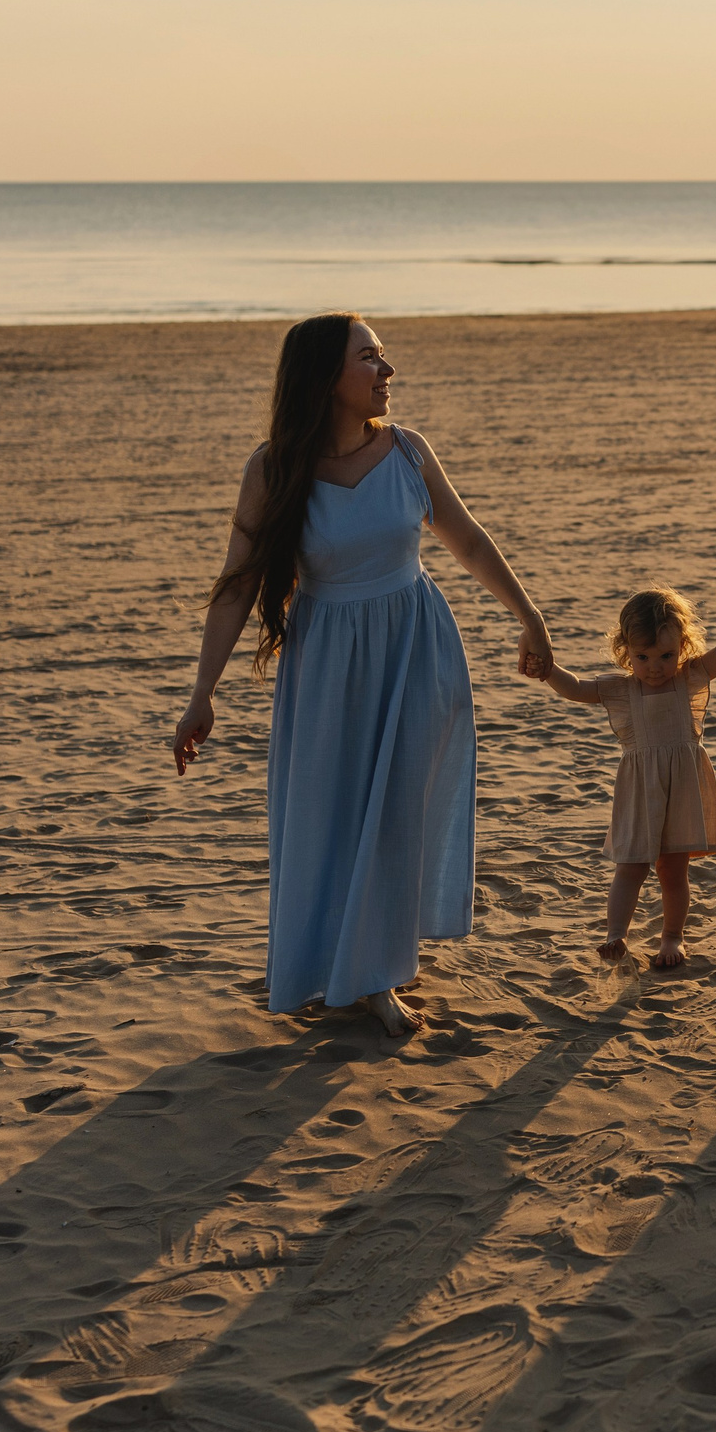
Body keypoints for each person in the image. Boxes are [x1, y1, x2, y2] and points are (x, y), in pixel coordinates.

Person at [170, 312, 552, 1036]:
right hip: (326, 666)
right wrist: (203, 693)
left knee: (396, 814)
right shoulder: (274, 468)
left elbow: (465, 537)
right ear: (326, 378)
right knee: (331, 813)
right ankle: (332, 963)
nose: (387, 371)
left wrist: (529, 616)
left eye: (383, 357)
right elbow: (238, 585)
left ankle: (376, 975)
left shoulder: (408, 451)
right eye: (370, 358)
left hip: (414, 648)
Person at [538, 588, 716, 970]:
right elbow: (574, 688)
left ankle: (673, 936)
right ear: (625, 652)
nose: (655, 667)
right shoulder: (622, 690)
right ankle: (616, 934)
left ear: (683, 646)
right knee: (631, 864)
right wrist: (547, 670)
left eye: (667, 656)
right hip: (640, 790)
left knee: (673, 868)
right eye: (643, 657)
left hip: (683, 787)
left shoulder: (689, 679)